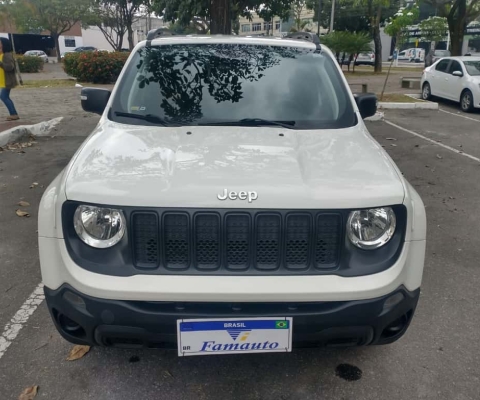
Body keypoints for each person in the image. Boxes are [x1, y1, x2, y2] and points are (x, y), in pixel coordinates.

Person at [0, 38, 19, 121]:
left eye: (0, 43)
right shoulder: (1, 54)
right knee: (4, 96)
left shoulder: (7, 55)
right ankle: (13, 113)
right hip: (2, 80)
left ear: (4, 44)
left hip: (7, 80)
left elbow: (10, 67)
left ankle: (13, 114)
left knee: (4, 97)